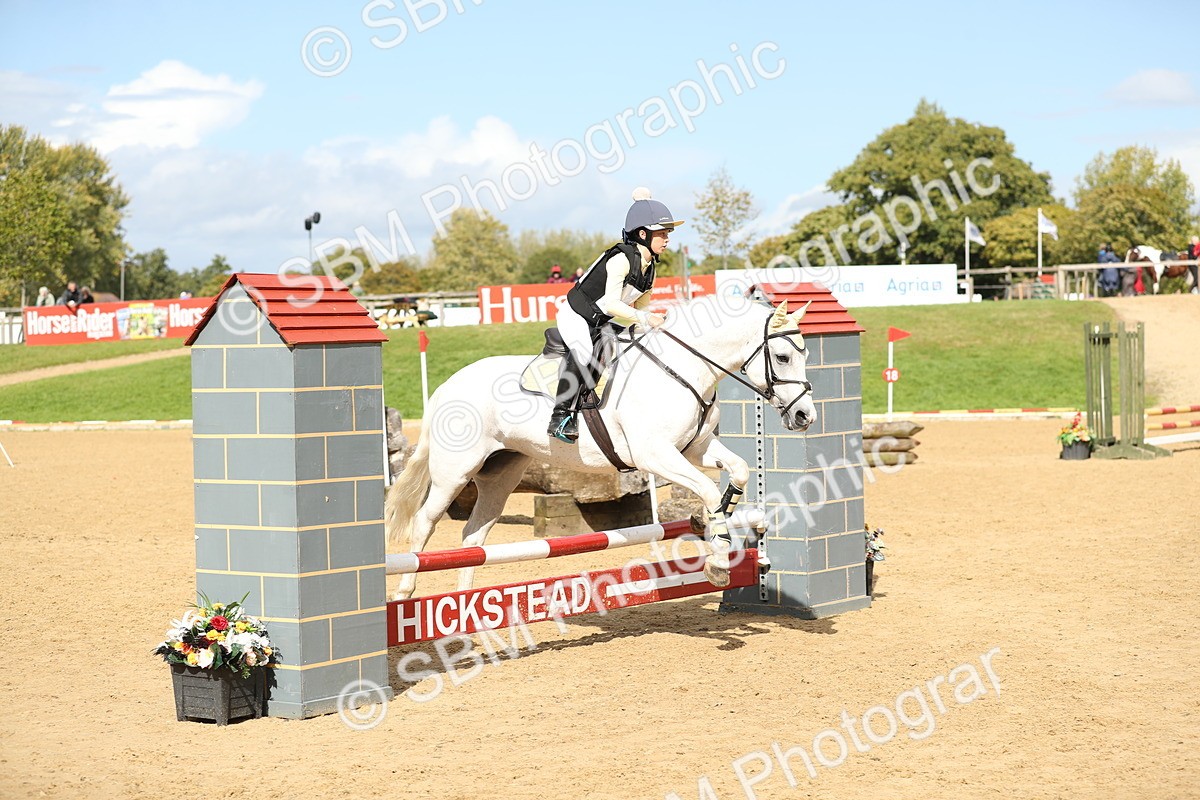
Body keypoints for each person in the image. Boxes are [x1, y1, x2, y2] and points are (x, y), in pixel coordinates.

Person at [547, 187, 683, 443]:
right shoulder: (620, 259)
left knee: (632, 347)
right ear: (643, 234)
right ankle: (560, 416)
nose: (667, 239)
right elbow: (611, 305)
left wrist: (657, 325)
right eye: (662, 233)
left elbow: (640, 310)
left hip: (600, 321)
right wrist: (646, 320)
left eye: (668, 234)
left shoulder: (650, 268)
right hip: (576, 315)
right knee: (585, 352)